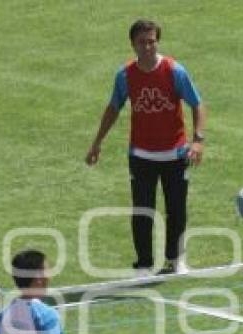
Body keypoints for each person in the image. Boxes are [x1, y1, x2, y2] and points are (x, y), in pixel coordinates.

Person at [85, 18, 206, 275]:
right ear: (133, 44)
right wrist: (97, 143)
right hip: (141, 155)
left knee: (176, 210)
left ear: (157, 42)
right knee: (142, 211)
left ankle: (175, 260)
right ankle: (143, 264)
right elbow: (113, 108)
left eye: (152, 42)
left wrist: (197, 140)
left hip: (175, 154)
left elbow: (197, 104)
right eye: (142, 42)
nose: (148, 47)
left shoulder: (174, 71)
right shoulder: (125, 75)